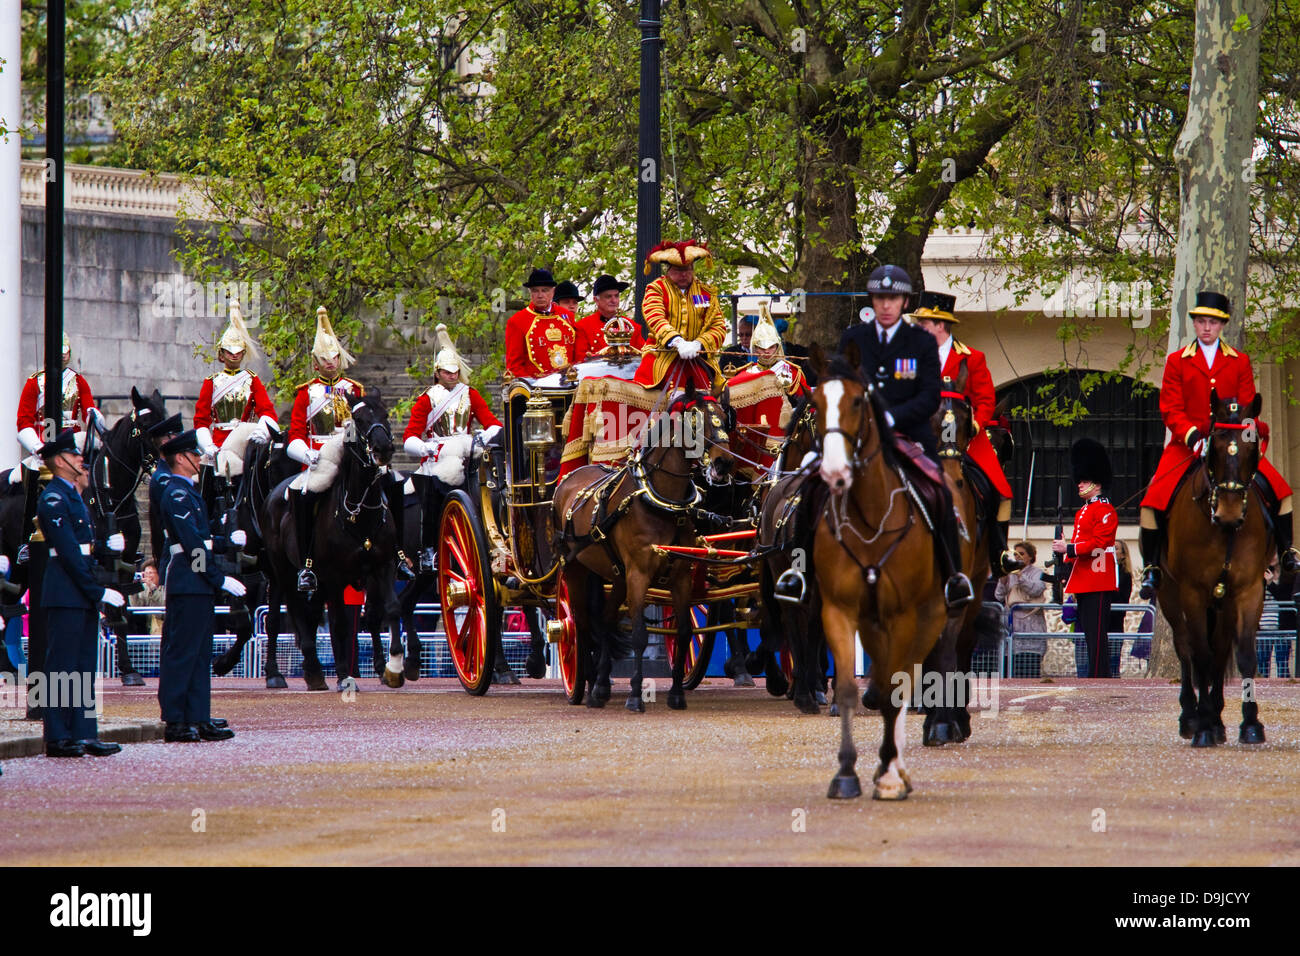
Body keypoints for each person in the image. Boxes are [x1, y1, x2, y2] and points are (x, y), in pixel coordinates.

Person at [1139, 290, 1298, 597]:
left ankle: (1287, 553)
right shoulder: (1177, 361)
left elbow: (1248, 405)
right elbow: (1171, 409)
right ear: (1194, 325)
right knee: (1151, 502)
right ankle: (1152, 568)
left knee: (1282, 493)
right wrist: (1193, 437)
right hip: (1188, 446)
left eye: (1212, 322)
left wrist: (1250, 441)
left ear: (1222, 324)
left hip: (1233, 442)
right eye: (1201, 321)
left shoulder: (1238, 361)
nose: (1207, 327)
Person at [837, 264, 972, 607]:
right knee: (810, 486)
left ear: (904, 302)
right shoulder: (853, 338)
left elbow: (929, 396)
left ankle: (953, 576)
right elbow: (839, 386)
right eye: (880, 297)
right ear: (873, 299)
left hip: (908, 435)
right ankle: (801, 572)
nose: (886, 305)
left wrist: (889, 415)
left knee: (940, 492)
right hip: (855, 436)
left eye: (893, 298)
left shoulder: (921, 342)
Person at [913, 289, 1021, 575]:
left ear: (939, 325)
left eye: (923, 324)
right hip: (920, 438)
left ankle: (999, 554)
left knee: (1001, 490)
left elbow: (986, 401)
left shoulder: (972, 357)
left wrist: (973, 426)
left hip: (964, 439)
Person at [34, 430, 125, 757]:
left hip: (79, 591)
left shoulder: (72, 495)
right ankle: (58, 736)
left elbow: (83, 548)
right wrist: (98, 591)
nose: (79, 459)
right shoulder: (54, 497)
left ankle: (84, 732)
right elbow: (69, 553)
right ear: (59, 461)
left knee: (84, 665)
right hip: (65, 591)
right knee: (62, 667)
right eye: (73, 455)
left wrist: (103, 546)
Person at [157, 430, 244, 742]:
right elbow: (192, 544)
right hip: (188, 580)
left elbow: (203, 539)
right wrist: (218, 578)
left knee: (199, 653)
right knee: (183, 652)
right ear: (180, 458)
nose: (199, 459)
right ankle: (176, 719)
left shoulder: (189, 492)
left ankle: (197, 714)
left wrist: (225, 541)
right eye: (194, 455)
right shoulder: (176, 494)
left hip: (198, 581)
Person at [402, 324, 503, 571]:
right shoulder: (427, 399)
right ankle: (428, 550)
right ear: (437, 372)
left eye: (455, 371)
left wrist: (483, 436)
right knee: (432, 491)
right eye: (447, 372)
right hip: (436, 457)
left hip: (467, 452)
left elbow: (493, 423)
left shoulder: (471, 394)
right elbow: (409, 437)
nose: (453, 376)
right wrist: (424, 448)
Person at [286, 306, 368, 591]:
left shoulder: (354, 390)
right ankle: (306, 565)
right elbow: (295, 434)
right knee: (302, 496)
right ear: (316, 363)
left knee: (385, 485)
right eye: (325, 359)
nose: (331, 363)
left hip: (349, 455)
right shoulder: (306, 393)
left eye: (335, 358)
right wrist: (306, 453)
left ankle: (395, 554)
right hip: (319, 459)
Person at [14, 333, 105, 559]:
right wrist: (38, 447)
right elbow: (24, 420)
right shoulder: (35, 382)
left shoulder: (79, 381)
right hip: (44, 441)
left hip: (72, 442)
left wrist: (95, 414)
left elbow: (88, 407)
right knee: (35, 475)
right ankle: (28, 537)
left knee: (96, 468)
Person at [1053, 438, 1119, 678]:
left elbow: (1100, 543)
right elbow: (1081, 544)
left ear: (1096, 482)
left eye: (1084, 480)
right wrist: (1065, 564)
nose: (1079, 484)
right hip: (1083, 579)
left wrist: (1068, 549)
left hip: (1099, 579)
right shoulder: (1085, 510)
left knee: (1097, 634)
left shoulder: (1105, 510)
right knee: (1088, 633)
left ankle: (1100, 677)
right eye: (1079, 480)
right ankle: (1094, 674)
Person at [633, 239, 727, 390]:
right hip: (662, 356)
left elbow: (718, 327)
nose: (683, 275)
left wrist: (699, 344)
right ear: (668, 270)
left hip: (697, 358)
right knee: (674, 393)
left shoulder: (706, 293)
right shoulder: (656, 289)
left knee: (709, 393)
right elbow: (655, 317)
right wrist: (677, 342)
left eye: (687, 270)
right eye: (678, 271)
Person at [193, 300, 278, 462]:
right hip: (218, 445)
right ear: (222, 354)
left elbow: (267, 412)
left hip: (244, 443)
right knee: (204, 480)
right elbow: (201, 420)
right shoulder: (211, 382)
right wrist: (208, 446)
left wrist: (260, 432)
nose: (234, 355)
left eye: (238, 351)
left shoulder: (252, 380)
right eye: (229, 351)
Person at [505, 268, 579, 379]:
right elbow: (514, 366)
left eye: (544, 290)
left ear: (553, 292)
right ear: (530, 293)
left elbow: (577, 354)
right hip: (537, 389)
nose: (540, 295)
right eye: (535, 291)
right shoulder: (517, 321)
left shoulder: (567, 316)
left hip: (569, 384)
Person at [995, 541, 1048, 676]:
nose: (1017, 557)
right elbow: (999, 596)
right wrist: (1003, 581)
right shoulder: (1010, 574)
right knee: (1009, 673)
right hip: (1011, 632)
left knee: (1028, 673)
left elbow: (1036, 589)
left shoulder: (1037, 573)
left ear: (1030, 556)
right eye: (1016, 554)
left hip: (1031, 629)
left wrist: (1021, 576)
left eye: (1021, 554)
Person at [574, 274, 644, 360]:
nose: (614, 300)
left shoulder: (633, 327)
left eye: (616, 296)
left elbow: (643, 357)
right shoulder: (583, 327)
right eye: (608, 296)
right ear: (596, 300)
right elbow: (580, 360)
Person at [128, 560, 165, 637]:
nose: (148, 576)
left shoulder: (166, 587)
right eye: (146, 573)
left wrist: (153, 589)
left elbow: (162, 607)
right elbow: (136, 606)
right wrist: (133, 589)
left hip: (163, 627)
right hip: (149, 627)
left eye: (151, 573)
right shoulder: (144, 587)